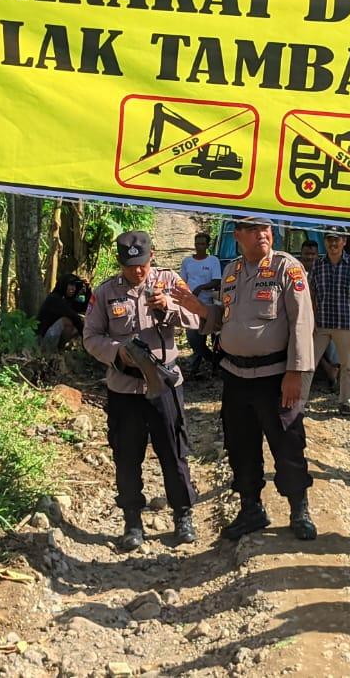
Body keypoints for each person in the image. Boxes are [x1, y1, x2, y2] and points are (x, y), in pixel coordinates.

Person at [173, 215, 317, 541]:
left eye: (265, 228)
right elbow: (223, 320)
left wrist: (296, 372)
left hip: (275, 376)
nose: (262, 234)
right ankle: (251, 509)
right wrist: (197, 307)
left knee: (287, 444)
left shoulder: (286, 268)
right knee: (240, 445)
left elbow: (301, 324)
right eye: (253, 230)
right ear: (237, 235)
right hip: (236, 376)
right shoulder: (231, 271)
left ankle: (299, 509)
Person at [83, 231, 205, 550]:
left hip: (165, 384)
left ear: (151, 257)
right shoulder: (106, 292)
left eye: (142, 264)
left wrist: (169, 307)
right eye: (130, 265)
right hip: (124, 387)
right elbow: (90, 337)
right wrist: (117, 352)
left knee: (174, 452)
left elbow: (197, 317)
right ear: (119, 262)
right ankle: (132, 520)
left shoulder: (169, 281)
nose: (137, 271)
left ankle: (182, 515)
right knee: (126, 455)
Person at [307, 230, 350, 413]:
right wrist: (311, 318)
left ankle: (345, 402)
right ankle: (299, 402)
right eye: (329, 240)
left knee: (347, 365)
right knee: (308, 363)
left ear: (344, 241)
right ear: (325, 242)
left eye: (337, 240)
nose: (333, 244)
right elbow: (311, 293)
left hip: (345, 323)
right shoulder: (318, 264)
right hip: (321, 323)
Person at [178, 231, 225, 378]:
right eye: (197, 244)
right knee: (195, 340)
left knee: (215, 339)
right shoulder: (187, 262)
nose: (199, 247)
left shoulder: (213, 261)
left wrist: (201, 288)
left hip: (209, 304)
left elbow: (217, 281)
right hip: (192, 306)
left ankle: (216, 367)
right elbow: (181, 282)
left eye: (202, 244)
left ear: (207, 245)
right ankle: (204, 364)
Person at [37, 274, 90, 354]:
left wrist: (88, 289)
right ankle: (52, 351)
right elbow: (74, 317)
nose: (73, 288)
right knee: (67, 321)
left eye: (75, 286)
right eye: (71, 285)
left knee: (80, 324)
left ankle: (58, 350)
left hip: (51, 335)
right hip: (42, 339)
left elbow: (85, 307)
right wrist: (86, 337)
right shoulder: (54, 298)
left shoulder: (66, 300)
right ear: (64, 285)